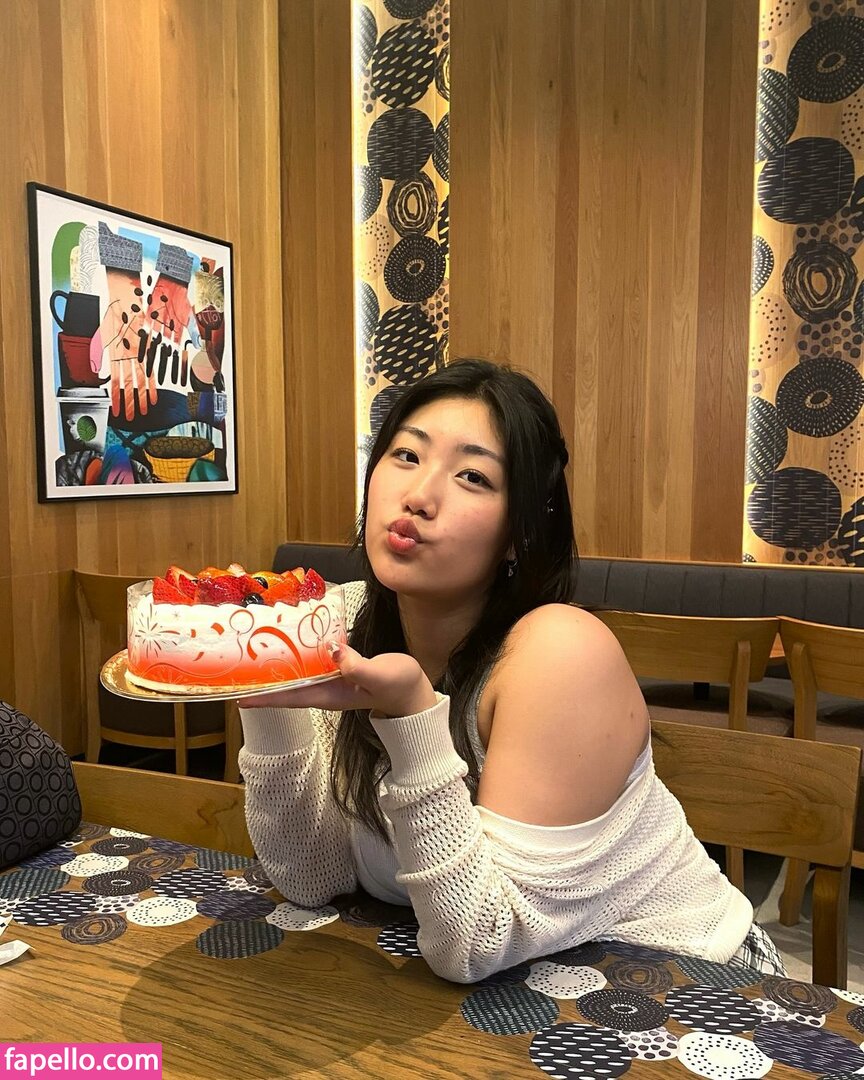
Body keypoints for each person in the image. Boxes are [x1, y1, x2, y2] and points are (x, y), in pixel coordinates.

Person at [237, 358, 784, 984]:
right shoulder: (340, 620)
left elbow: (476, 944)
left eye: (472, 476)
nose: (419, 495)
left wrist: (412, 717)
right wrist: (268, 696)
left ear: (519, 533)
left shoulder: (558, 653)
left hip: (682, 984)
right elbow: (311, 877)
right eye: (406, 455)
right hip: (487, 996)